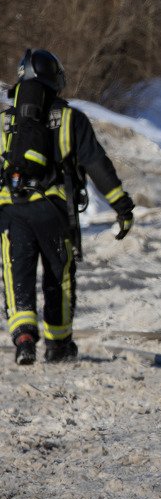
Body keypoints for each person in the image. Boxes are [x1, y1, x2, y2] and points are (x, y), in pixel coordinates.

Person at [0, 49, 135, 365]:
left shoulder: (5, 122)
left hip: (12, 212)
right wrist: (122, 206)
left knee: (16, 275)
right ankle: (58, 346)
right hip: (55, 213)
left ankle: (23, 340)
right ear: (55, 79)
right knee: (58, 278)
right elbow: (96, 165)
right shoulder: (72, 119)